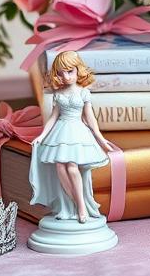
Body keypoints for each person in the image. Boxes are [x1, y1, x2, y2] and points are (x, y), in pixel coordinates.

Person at [28, 50, 112, 223]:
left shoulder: (83, 92)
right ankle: (72, 202)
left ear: (78, 70)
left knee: (72, 166)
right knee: (59, 166)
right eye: (61, 73)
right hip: (60, 131)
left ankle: (81, 206)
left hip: (77, 131)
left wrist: (100, 138)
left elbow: (90, 118)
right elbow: (53, 117)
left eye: (70, 71)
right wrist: (42, 136)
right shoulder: (58, 94)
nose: (66, 77)